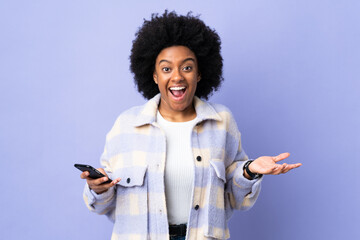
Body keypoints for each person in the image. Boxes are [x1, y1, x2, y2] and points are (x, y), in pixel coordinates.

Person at [80, 11, 302, 240]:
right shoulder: (126, 126)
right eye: (166, 69)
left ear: (199, 74)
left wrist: (249, 171)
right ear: (154, 75)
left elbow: (236, 200)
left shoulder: (222, 121)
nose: (177, 77)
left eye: (186, 67)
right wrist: (98, 188)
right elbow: (101, 205)